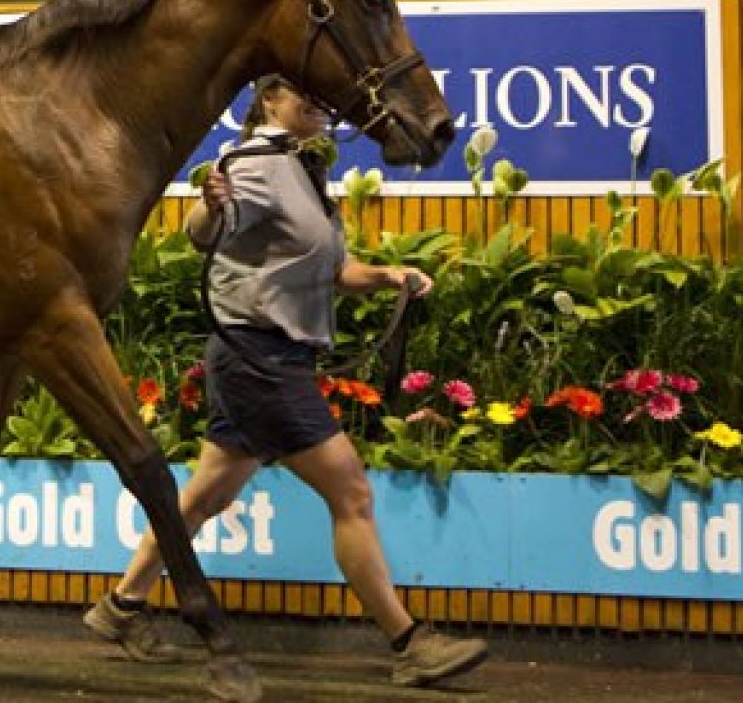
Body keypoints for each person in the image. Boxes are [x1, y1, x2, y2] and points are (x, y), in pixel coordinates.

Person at [83, 76, 488, 689]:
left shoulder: (298, 168)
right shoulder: (252, 162)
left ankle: (121, 607)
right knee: (350, 491)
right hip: (258, 356)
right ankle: (409, 642)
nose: (320, 102)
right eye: (304, 93)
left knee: (206, 496)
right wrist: (208, 203)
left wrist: (386, 275)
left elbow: (324, 267)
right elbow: (207, 229)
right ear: (269, 99)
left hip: (270, 355)